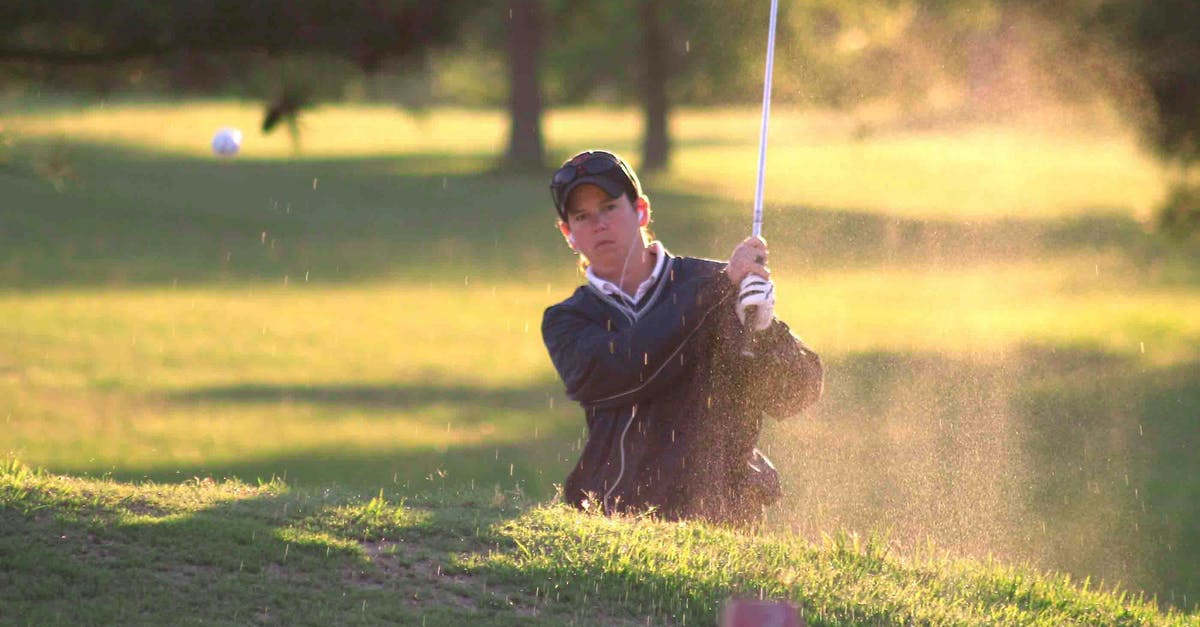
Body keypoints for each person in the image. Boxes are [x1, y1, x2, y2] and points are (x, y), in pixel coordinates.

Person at [541, 149, 824, 526]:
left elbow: (795, 394)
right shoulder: (569, 321)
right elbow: (629, 366)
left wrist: (764, 334)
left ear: (641, 210)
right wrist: (717, 290)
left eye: (609, 208)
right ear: (568, 234)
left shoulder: (720, 284)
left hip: (722, 520)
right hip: (618, 521)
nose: (598, 224)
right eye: (582, 217)